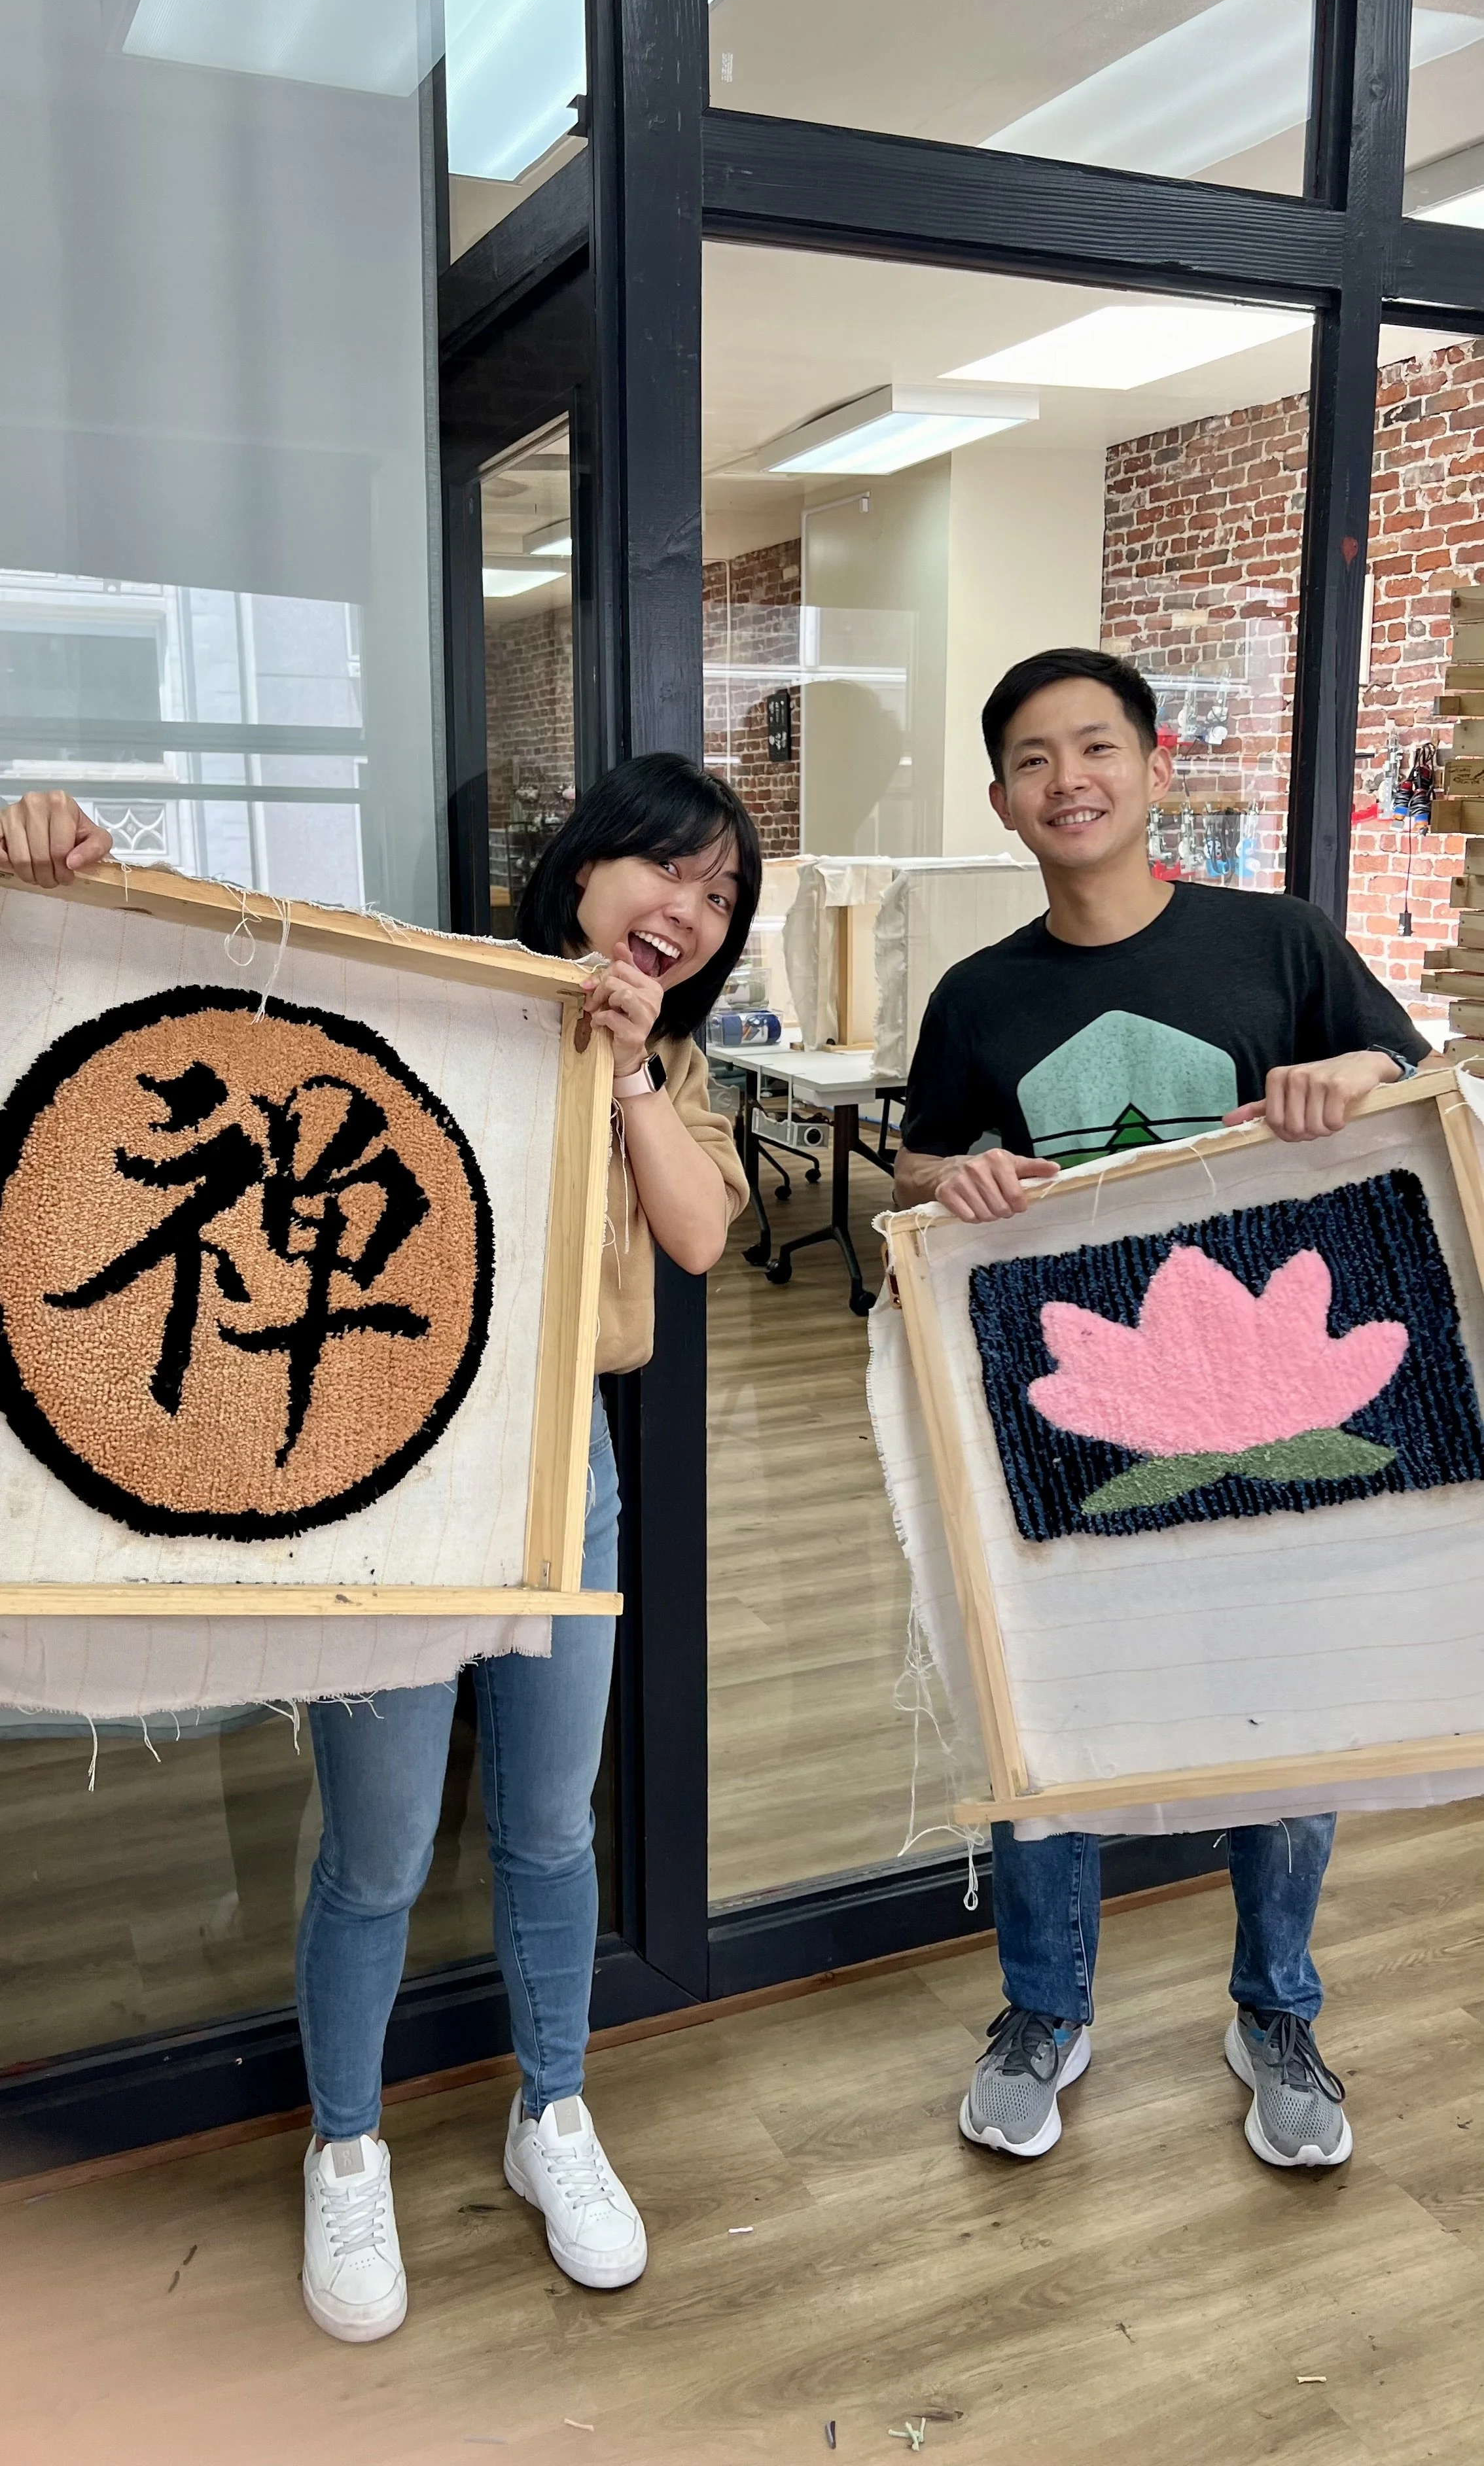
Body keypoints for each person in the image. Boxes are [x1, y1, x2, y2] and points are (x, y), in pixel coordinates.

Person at [0, 763, 758, 2340]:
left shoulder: (666, 1062)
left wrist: (624, 1076)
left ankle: (551, 2113)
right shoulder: (441, 990)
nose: (689, 911)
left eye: (722, 898)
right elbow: (221, 991)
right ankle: (346, 2149)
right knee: (381, 1854)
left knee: (554, 1833)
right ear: (585, 869)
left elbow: (698, 1238)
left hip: (569, 1478)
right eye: (667, 871)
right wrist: (59, 858)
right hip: (389, 1483)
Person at [893, 648, 1434, 2176]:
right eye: (1035, 761)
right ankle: (1046, 2012)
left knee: (1285, 1714)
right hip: (1078, 1407)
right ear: (1002, 801)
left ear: (1153, 762)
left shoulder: (1278, 941)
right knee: (1050, 1708)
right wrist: (955, 1175)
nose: (1070, 780)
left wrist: (1351, 1071)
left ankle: (1275, 2010)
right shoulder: (979, 995)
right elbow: (918, 1170)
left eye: (1097, 748)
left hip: (1278, 1389)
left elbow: (1408, 1070)